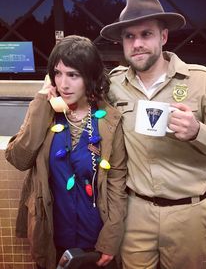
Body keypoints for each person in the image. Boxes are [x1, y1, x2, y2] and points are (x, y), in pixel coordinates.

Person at [100, 0, 206, 269]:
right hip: (135, 212)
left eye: (146, 34)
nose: (137, 44)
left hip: (187, 214)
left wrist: (198, 131)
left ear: (163, 37)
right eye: (129, 36)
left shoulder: (200, 80)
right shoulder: (114, 85)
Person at [5, 35, 127, 269]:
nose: (63, 84)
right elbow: (19, 159)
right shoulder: (47, 113)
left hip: (95, 237)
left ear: (90, 77)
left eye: (73, 75)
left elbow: (117, 184)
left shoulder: (108, 121)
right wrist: (41, 100)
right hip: (53, 234)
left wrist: (111, 239)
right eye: (58, 73)